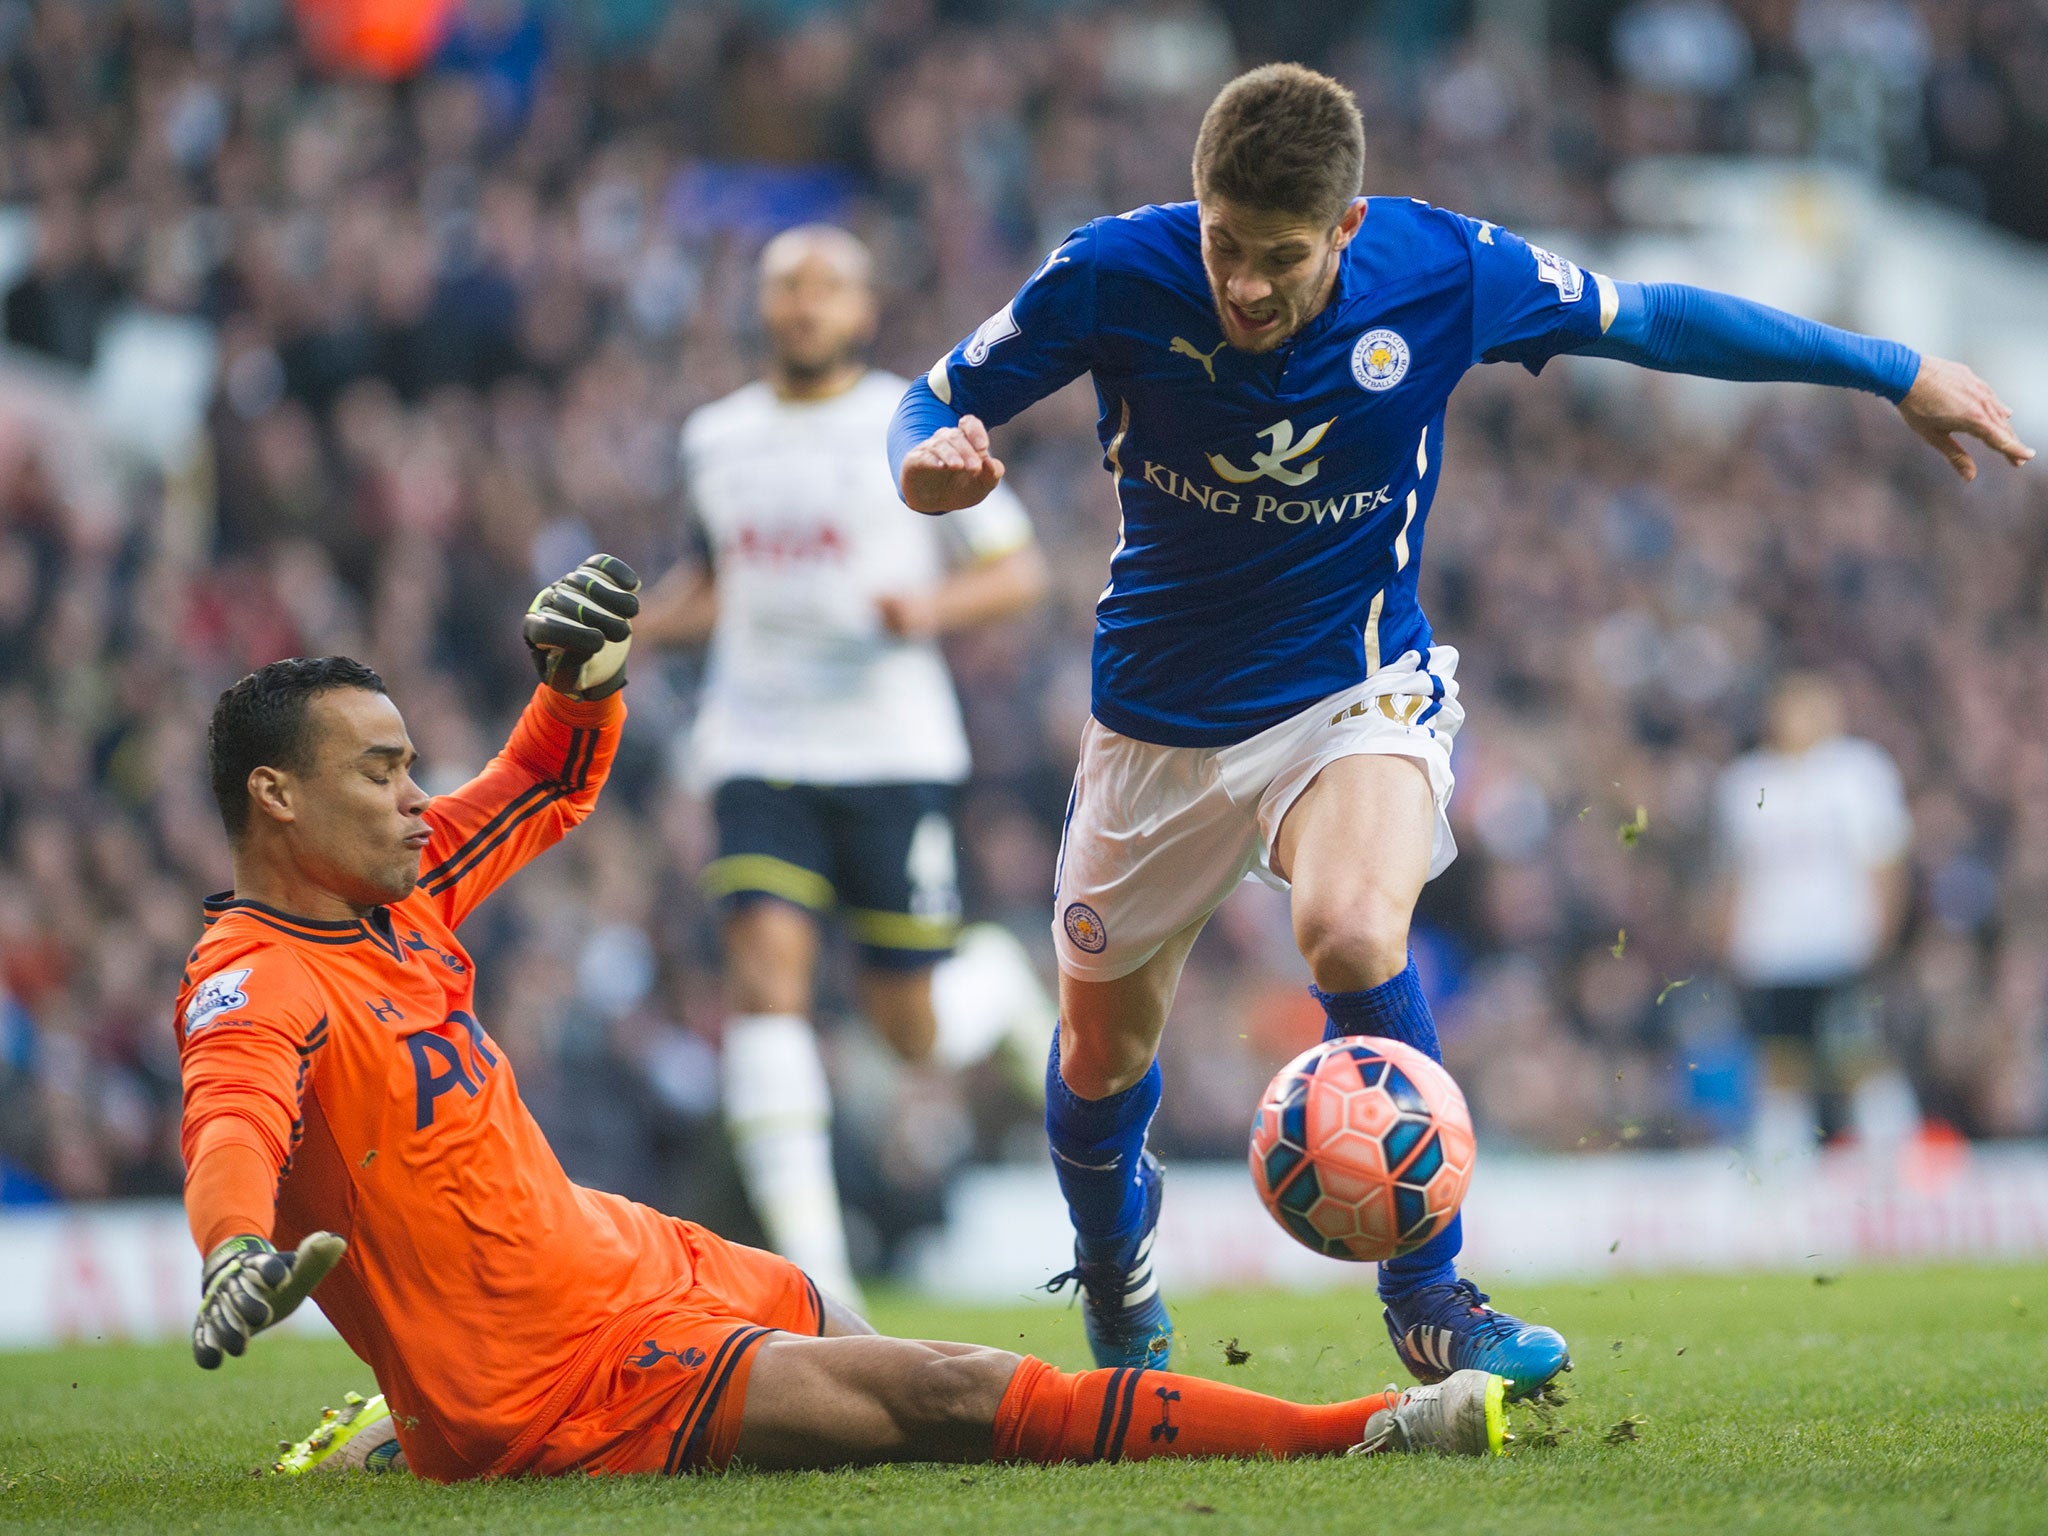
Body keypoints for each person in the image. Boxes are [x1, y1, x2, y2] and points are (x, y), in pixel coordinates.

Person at [887, 62, 2032, 1393]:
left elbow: (1650, 320)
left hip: (1351, 691)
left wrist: (1889, 369)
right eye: (1222, 246)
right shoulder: (1112, 273)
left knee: (1355, 930)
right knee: (1097, 1062)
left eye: (1277, 257)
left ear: (1348, 228)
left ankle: (1431, 1297)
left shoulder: (1443, 269)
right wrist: (927, 462)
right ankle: (1114, 1261)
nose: (1243, 286)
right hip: (1154, 728)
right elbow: (932, 395)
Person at [178, 556, 1506, 1482]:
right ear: (276, 798)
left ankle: (402, 1413)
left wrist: (578, 683)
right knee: (946, 1400)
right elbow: (231, 1114)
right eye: (382, 769)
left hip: (623, 1257)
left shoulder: (392, 900)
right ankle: (1371, 1428)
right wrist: (234, 1247)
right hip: (552, 1383)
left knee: (860, 1338)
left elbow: (540, 781)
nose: (419, 796)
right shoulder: (258, 975)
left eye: (411, 767)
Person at [637, 225, 1052, 1307]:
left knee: (905, 1030)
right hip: (756, 750)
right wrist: (628, 631)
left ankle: (994, 987)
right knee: (765, 986)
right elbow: (717, 584)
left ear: (863, 311)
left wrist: (925, 606)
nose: (803, 303)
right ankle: (822, 1285)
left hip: (890, 752)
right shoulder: (716, 438)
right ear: (762, 307)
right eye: (784, 287)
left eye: (825, 286)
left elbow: (1015, 572)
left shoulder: (904, 421)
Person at [1712, 671, 1918, 1163]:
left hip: (1841, 941)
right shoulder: (1745, 783)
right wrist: (1728, 933)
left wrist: (1881, 930)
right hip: (1772, 946)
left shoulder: (1858, 772)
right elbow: (1735, 871)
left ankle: (1896, 1155)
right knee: (1781, 1058)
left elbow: (1885, 859)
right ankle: (1783, 1163)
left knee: (1859, 1052)